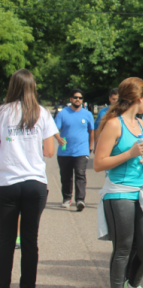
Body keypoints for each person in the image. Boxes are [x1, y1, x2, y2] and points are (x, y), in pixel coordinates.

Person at [93, 77, 143, 288]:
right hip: (119, 193)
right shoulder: (114, 124)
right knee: (123, 248)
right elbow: (99, 163)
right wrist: (130, 153)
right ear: (139, 98)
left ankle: (133, 283)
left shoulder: (141, 123)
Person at [0, 69, 57, 288]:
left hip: (7, 182)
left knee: (5, 239)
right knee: (30, 239)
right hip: (35, 183)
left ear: (12, 86)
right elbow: (49, 151)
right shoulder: (42, 113)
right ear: (32, 87)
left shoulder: (2, 112)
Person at [53, 88, 95, 211]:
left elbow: (91, 131)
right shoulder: (62, 113)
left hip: (81, 151)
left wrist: (90, 147)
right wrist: (58, 139)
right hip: (65, 151)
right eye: (75, 97)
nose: (78, 100)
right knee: (66, 177)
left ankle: (80, 200)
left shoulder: (87, 114)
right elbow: (55, 129)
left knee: (80, 175)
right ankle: (67, 198)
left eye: (80, 98)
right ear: (71, 99)